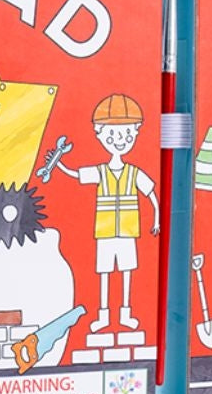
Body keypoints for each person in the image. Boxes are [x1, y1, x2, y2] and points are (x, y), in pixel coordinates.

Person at [51, 93, 159, 332]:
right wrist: (58, 164)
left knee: (127, 272)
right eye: (112, 135)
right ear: (100, 134)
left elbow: (151, 194)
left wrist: (157, 219)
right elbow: (77, 174)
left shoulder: (134, 172)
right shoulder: (100, 171)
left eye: (127, 134)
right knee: (105, 274)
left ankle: (126, 313)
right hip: (106, 232)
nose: (120, 140)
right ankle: (103, 315)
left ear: (136, 133)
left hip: (128, 232)